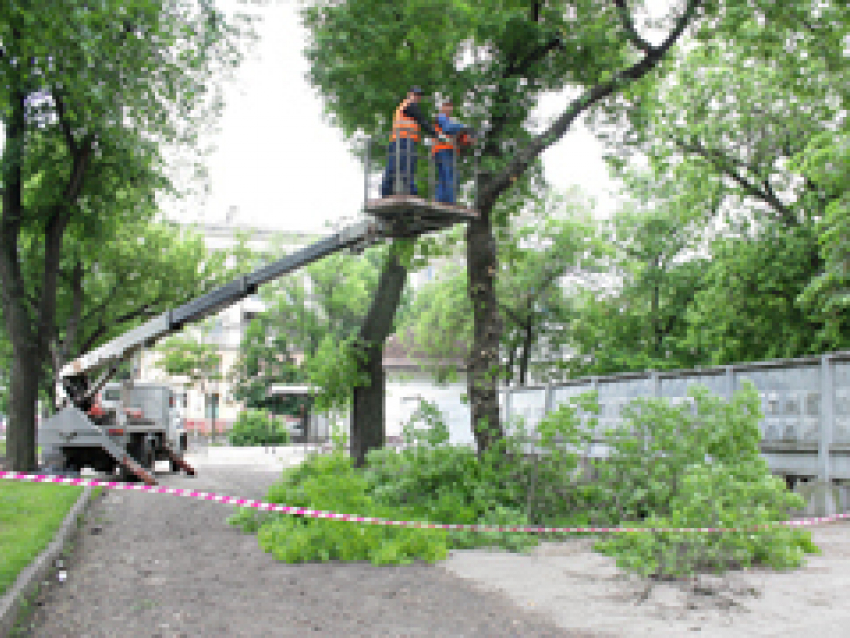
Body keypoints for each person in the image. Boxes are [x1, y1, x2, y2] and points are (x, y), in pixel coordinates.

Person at [380, 87, 441, 197]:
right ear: (409, 94)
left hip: (397, 140)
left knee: (394, 166)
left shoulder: (403, 106)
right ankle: (411, 192)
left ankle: (386, 193)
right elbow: (422, 120)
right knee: (407, 166)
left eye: (419, 95)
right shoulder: (410, 105)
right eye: (415, 94)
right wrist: (436, 134)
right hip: (404, 140)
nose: (417, 97)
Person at [433, 99, 474, 205]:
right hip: (442, 149)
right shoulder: (441, 117)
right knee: (447, 176)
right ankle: (447, 202)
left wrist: (467, 139)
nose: (449, 108)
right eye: (446, 106)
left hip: (450, 151)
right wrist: (464, 128)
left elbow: (458, 138)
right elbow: (447, 129)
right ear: (442, 107)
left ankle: (443, 200)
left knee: (451, 177)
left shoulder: (450, 121)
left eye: (450, 106)